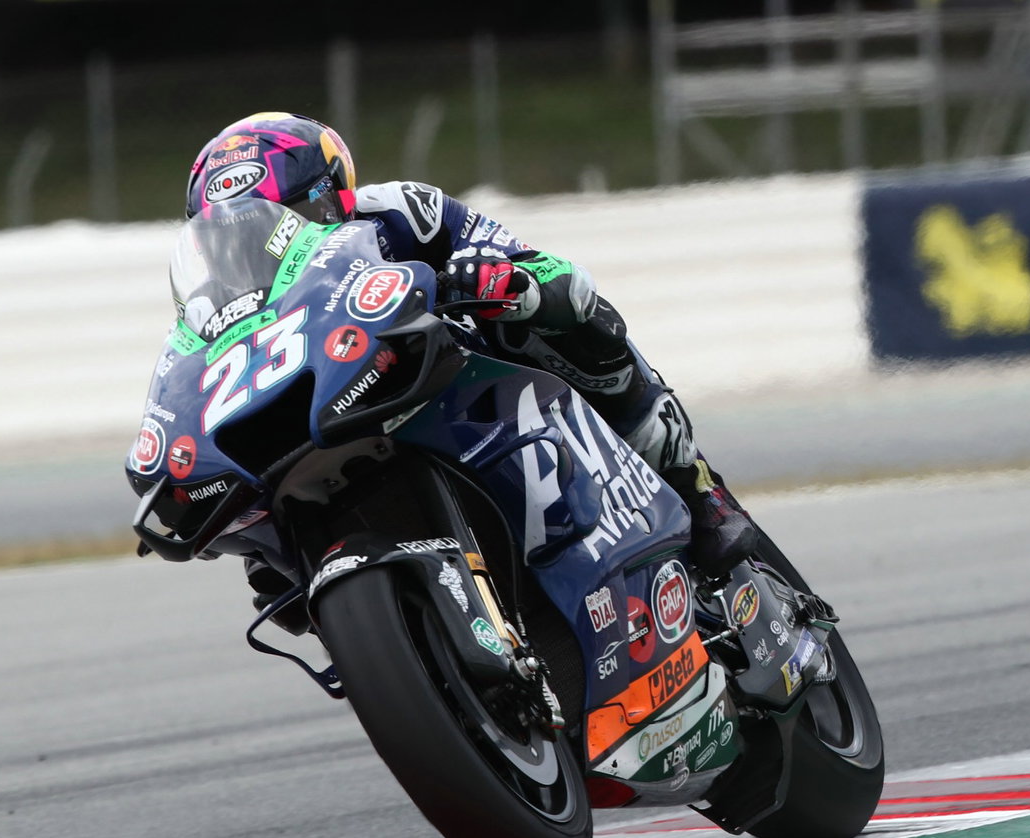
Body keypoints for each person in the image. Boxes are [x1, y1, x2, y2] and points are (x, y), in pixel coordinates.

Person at [183, 112, 755, 600]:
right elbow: (191, 395)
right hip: (333, 419)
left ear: (335, 197)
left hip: (461, 381)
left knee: (570, 318)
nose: (261, 245)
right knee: (246, 515)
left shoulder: (403, 213)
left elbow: (555, 275)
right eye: (228, 235)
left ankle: (695, 486)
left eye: (284, 220)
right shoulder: (207, 305)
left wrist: (508, 281)